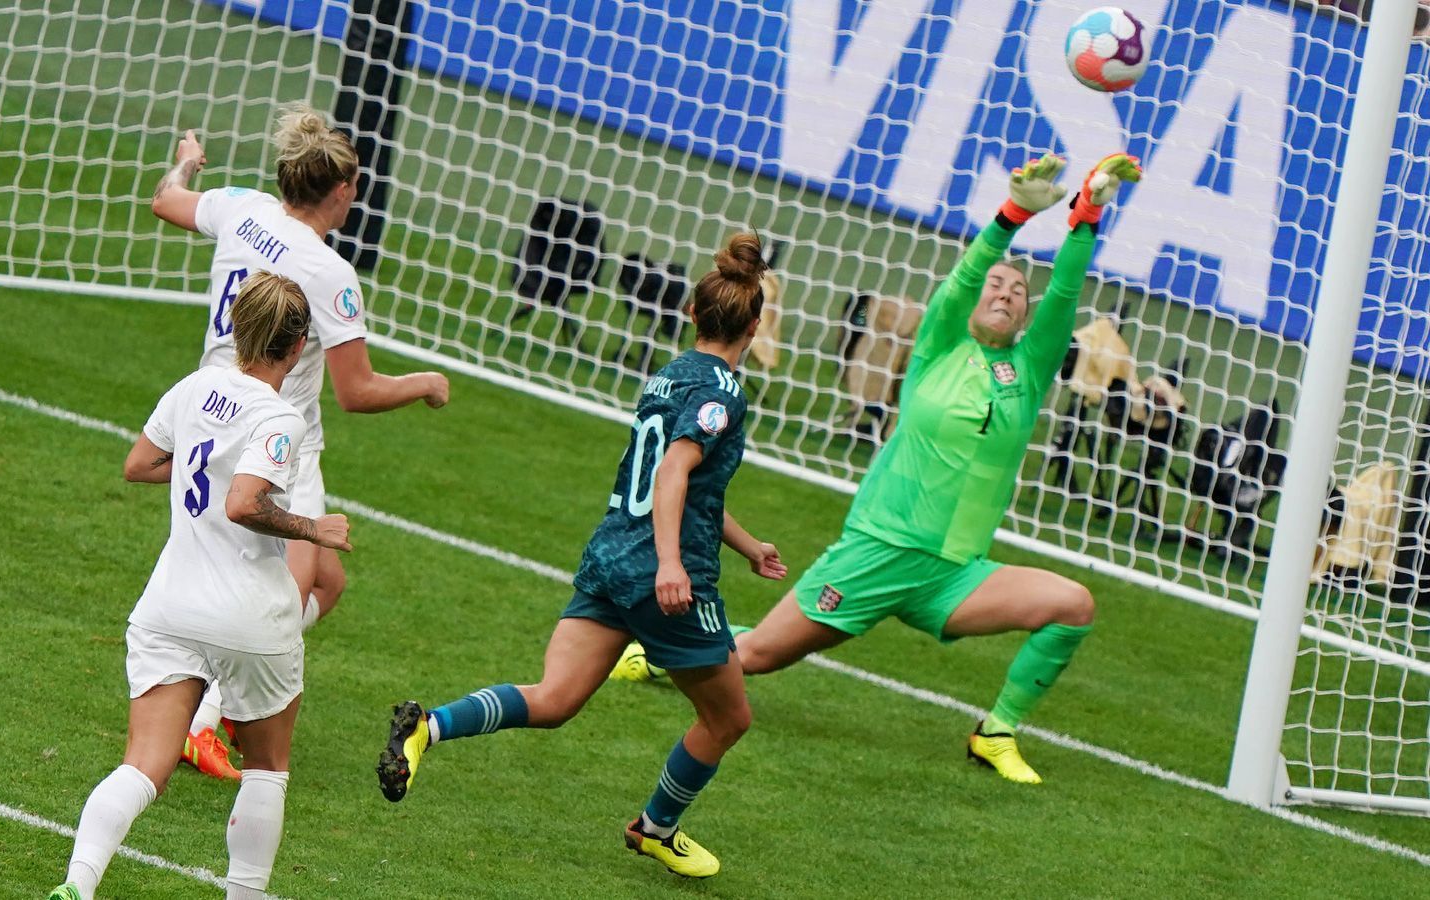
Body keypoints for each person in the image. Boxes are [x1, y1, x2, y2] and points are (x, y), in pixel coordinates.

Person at [614, 154, 1143, 785]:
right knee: (754, 655)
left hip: (954, 575)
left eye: (1017, 291)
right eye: (995, 286)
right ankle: (651, 653)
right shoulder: (941, 348)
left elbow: (1064, 295)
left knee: (1073, 605)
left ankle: (995, 732)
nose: (1005, 292)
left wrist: (1086, 217)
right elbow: (959, 283)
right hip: (879, 550)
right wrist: (1012, 217)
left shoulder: (1028, 372)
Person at [374, 234, 787, 879]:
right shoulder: (725, 390)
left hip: (611, 556)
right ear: (754, 325)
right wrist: (675, 566)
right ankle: (656, 828)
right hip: (663, 575)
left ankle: (430, 725)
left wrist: (748, 543)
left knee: (556, 698)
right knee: (728, 716)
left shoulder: (667, 376)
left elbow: (682, 483)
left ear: (690, 316)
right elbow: (674, 473)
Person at [151, 105, 450, 778]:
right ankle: (200, 719)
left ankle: (218, 700)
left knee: (327, 585)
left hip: (209, 410)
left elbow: (166, 200)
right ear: (339, 192)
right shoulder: (327, 272)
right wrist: (427, 382)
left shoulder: (242, 209)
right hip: (277, 437)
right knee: (284, 589)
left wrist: (189, 161)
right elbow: (357, 391)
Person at [47, 272, 353, 900]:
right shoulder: (281, 417)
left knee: (143, 764)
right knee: (267, 770)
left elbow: (139, 465)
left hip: (169, 606)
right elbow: (244, 503)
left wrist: (202, 470)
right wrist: (310, 528)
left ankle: (77, 885)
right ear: (297, 349)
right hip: (251, 618)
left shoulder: (192, 388)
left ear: (237, 327)